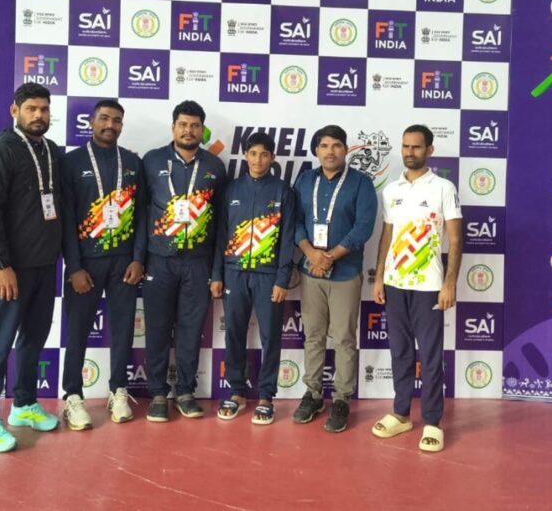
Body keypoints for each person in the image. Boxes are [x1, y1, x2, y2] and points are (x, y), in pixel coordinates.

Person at [0, 83, 62, 453]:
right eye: (31, 109)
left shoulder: (51, 150)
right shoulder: (3, 148)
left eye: (44, 109)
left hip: (45, 264)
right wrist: (1, 264)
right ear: (15, 111)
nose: (39, 115)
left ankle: (23, 404)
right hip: (14, 268)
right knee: (0, 342)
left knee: (34, 339)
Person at [370, 125, 462, 453]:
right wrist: (379, 277)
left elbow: (455, 239)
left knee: (431, 355)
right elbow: (388, 235)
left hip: (429, 286)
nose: (410, 152)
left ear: (429, 150)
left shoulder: (443, 188)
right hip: (395, 284)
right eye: (406, 146)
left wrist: (449, 283)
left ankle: (433, 421)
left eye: (417, 147)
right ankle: (401, 413)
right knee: (400, 352)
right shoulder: (391, 190)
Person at [59, 99, 145, 430]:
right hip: (86, 264)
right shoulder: (72, 162)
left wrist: (138, 258)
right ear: (92, 122)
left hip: (124, 262)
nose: (110, 125)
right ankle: (73, 396)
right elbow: (66, 219)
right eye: (105, 118)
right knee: (77, 330)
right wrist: (74, 267)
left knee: (123, 329)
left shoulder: (133, 162)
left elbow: (141, 215)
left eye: (117, 120)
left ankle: (118, 391)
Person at [141, 101, 226, 422]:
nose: (188, 131)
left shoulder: (214, 166)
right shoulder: (152, 161)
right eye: (183, 124)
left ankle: (186, 391)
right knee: (158, 329)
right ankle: (157, 393)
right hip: (159, 261)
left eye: (194, 126)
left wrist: (216, 270)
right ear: (173, 127)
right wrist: (139, 259)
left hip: (198, 263)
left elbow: (221, 224)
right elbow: (140, 215)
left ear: (202, 130)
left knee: (191, 331)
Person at [292, 125, 376, 432]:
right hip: (310, 271)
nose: (330, 151)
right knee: (314, 335)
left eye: (337, 145)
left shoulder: (361, 183)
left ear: (345, 149)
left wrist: (329, 256)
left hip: (345, 273)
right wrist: (310, 252)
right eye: (324, 145)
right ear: (316, 150)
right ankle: (313, 394)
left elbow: (363, 226)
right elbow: (295, 221)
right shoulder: (305, 180)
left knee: (343, 339)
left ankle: (341, 399)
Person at [210, 132, 295, 425]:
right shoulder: (231, 190)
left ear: (272, 158)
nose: (258, 160)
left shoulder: (283, 191)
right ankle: (237, 392)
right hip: (234, 273)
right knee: (234, 332)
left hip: (268, 275)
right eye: (254, 153)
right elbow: (221, 236)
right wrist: (217, 274)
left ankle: (266, 396)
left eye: (264, 154)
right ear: (245, 156)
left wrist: (282, 279)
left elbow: (287, 240)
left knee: (270, 336)